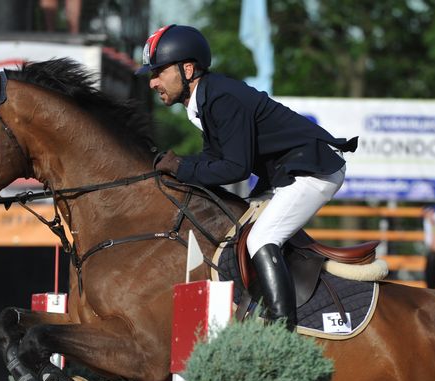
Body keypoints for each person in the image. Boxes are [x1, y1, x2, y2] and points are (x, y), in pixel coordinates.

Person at [137, 24, 357, 329]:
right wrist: (176, 165)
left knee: (262, 238)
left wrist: (182, 168)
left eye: (158, 72)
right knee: (236, 231)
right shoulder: (206, 99)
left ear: (187, 69)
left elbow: (234, 168)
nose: (152, 82)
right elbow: (215, 159)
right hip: (287, 173)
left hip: (312, 171)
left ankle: (282, 330)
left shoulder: (221, 98)